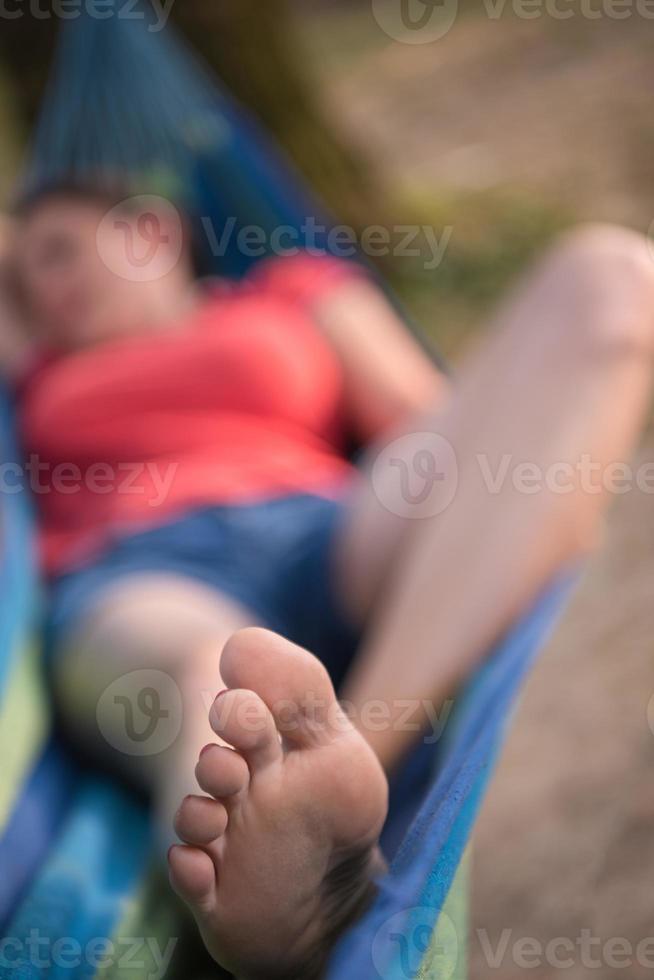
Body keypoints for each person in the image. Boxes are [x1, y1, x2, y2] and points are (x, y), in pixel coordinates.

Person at [1, 182, 653, 979]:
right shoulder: (32, 365)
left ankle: (349, 766)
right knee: (222, 673)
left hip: (324, 529)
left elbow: (435, 415)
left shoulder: (292, 289)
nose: (50, 287)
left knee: (609, 277)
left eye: (63, 251)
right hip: (141, 569)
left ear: (151, 229)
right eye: (26, 276)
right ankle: (270, 865)